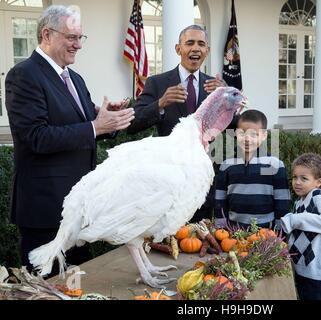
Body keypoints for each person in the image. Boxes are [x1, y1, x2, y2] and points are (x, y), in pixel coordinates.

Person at [5, 5, 135, 274]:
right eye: (71, 37)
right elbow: (35, 137)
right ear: (46, 34)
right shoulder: (24, 75)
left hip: (79, 207)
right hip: (45, 210)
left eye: (80, 37)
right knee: (47, 287)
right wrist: (95, 127)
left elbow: (86, 123)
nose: (78, 45)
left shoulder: (74, 78)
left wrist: (108, 119)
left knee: (80, 284)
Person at [127, 24, 229, 222]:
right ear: (178, 49)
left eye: (201, 44)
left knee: (197, 240)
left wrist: (226, 98)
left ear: (207, 51)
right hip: (168, 179)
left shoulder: (215, 86)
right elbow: (133, 124)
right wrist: (160, 103)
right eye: (189, 43)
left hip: (202, 180)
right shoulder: (157, 83)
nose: (195, 48)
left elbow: (233, 123)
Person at [280, 153, 321, 300]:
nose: (297, 182)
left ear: (318, 182)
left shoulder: (318, 196)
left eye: (304, 178)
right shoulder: (299, 201)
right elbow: (300, 231)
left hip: (317, 270)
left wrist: (297, 219)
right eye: (295, 177)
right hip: (303, 267)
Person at [214, 110, 291, 229]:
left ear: (264, 135)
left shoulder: (275, 165)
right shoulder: (227, 165)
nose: (247, 139)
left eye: (254, 134)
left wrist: (280, 231)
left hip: (265, 232)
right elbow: (220, 199)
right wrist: (221, 229)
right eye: (242, 133)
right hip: (234, 232)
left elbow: (282, 201)